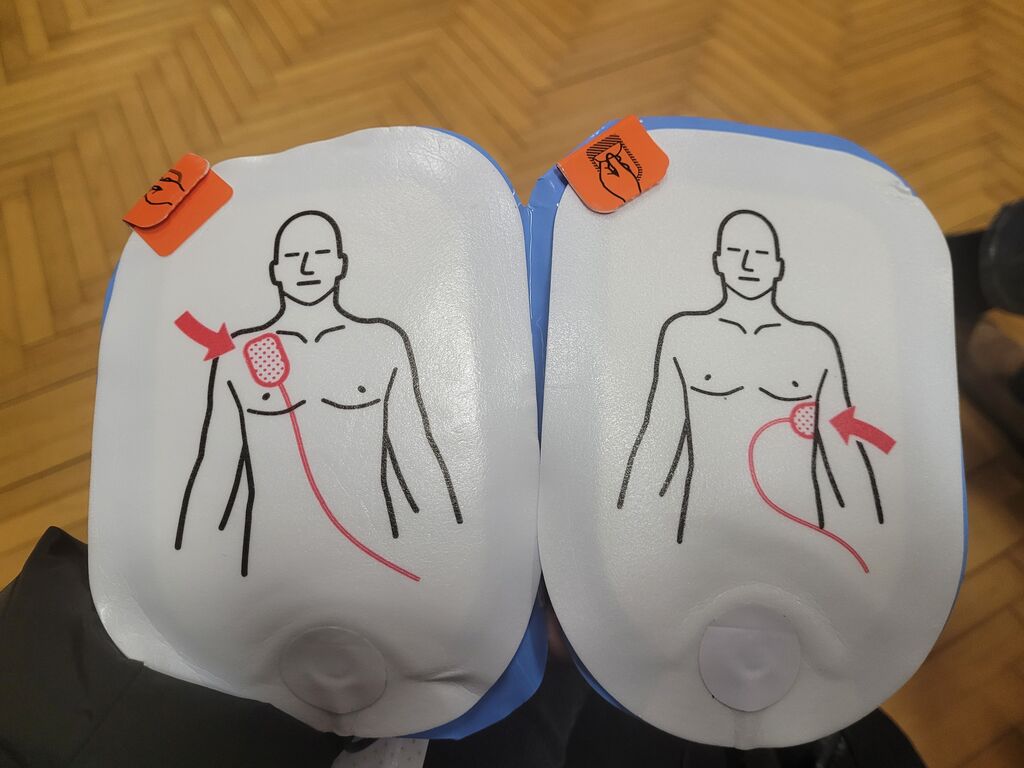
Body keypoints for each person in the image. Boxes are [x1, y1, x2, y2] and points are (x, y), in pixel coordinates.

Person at [175, 209, 461, 576]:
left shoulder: (382, 343)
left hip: (378, 553)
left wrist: (455, 556)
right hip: (272, 562)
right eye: (293, 257)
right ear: (275, 271)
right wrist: (188, 568)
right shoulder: (237, 357)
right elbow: (216, 467)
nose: (307, 267)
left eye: (320, 254)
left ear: (341, 265)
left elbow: (416, 454)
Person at [617, 209, 883, 544]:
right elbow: (658, 436)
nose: (747, 265)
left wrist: (874, 539)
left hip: (800, 535)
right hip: (702, 533)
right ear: (718, 262)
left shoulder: (815, 344)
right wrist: (626, 531)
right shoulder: (684, 335)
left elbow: (844, 442)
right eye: (735, 252)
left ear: (778, 267)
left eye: (760, 254)